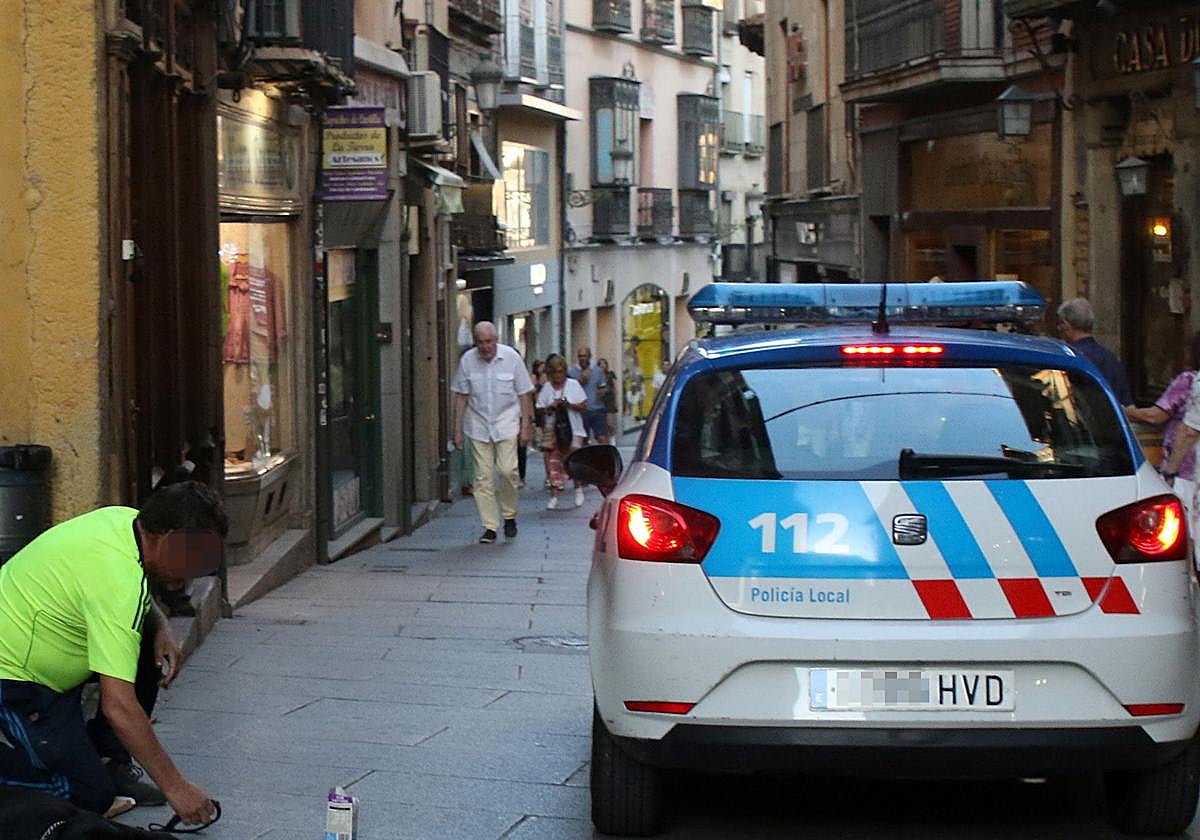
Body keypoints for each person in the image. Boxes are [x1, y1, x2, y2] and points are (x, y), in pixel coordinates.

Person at [0, 481, 226, 826]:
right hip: (17, 681)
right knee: (88, 797)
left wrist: (161, 625)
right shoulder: (119, 585)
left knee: (146, 649)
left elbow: (126, 590)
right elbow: (118, 705)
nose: (197, 567)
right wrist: (176, 787)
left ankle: (110, 761)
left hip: (53, 668)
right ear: (167, 539)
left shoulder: (125, 521)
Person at [452, 321, 535, 543]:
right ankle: (490, 526)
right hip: (477, 425)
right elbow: (461, 396)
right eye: (480, 342)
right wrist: (457, 429)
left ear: (496, 340)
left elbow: (524, 394)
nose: (485, 347)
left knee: (508, 471)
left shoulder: (511, 358)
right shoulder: (467, 360)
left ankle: (509, 515)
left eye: (489, 341)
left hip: (506, 422)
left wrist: (526, 426)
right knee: (482, 478)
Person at [1127, 333, 1200, 537]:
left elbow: (1183, 428)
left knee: (1185, 531)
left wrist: (1169, 473)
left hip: (1188, 473)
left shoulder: (1189, 381)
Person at [1056, 298, 1133, 406]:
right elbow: (1127, 404)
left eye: (1060, 324)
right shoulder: (1110, 358)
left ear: (1066, 325)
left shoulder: (1067, 359)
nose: (1058, 328)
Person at [537, 354, 588, 509]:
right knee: (552, 462)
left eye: (560, 372)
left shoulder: (573, 385)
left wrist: (569, 405)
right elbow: (539, 408)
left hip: (574, 429)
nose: (558, 376)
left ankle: (578, 488)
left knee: (573, 459)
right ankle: (554, 495)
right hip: (553, 431)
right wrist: (549, 407)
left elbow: (584, 405)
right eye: (554, 372)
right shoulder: (547, 387)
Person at [568, 346, 610, 444]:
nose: (582, 358)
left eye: (584, 356)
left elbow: (603, 387)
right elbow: (569, 391)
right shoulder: (571, 372)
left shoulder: (598, 371)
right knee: (583, 440)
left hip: (597, 408)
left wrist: (602, 392)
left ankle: (605, 453)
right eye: (580, 356)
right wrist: (581, 381)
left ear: (589, 356)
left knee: (602, 438)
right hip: (581, 410)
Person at [598, 357, 618, 440]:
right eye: (600, 364)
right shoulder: (596, 376)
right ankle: (606, 440)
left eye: (604, 363)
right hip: (600, 401)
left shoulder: (610, 374)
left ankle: (612, 438)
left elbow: (614, 388)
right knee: (603, 424)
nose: (602, 365)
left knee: (610, 423)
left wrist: (616, 401)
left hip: (609, 400)